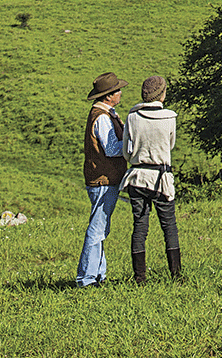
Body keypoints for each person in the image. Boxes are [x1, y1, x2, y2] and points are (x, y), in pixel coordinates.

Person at [121, 75, 181, 284]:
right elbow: (170, 145)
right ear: (162, 94)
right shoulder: (169, 118)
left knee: (140, 226)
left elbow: (126, 152)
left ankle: (140, 277)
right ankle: (176, 275)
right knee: (169, 227)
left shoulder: (132, 117)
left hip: (137, 176)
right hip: (162, 178)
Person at [77, 72, 128, 287]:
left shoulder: (103, 114)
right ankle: (87, 279)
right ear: (108, 96)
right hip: (104, 179)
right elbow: (112, 149)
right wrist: (132, 146)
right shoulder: (103, 118)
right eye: (116, 90)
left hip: (103, 178)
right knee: (98, 228)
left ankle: (98, 275)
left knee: (100, 227)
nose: (120, 92)